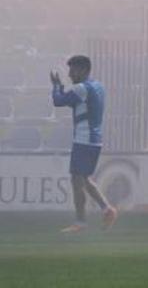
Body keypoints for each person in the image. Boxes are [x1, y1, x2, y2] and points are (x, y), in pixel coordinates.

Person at [51, 55, 117, 233]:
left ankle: (80, 222)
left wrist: (56, 85)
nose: (70, 74)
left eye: (73, 70)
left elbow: (58, 101)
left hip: (84, 139)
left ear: (83, 70)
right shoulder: (98, 86)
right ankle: (107, 209)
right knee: (84, 178)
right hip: (94, 139)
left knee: (76, 179)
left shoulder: (81, 88)